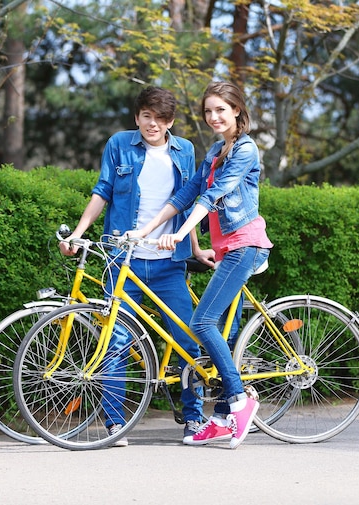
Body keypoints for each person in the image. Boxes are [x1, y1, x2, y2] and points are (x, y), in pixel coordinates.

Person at [59, 86, 214, 446]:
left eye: (160, 119)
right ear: (138, 117)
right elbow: (103, 191)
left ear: (170, 121)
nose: (153, 125)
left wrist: (195, 248)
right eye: (147, 116)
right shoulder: (119, 144)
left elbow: (188, 203)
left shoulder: (185, 150)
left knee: (186, 341)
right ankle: (116, 424)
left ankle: (194, 418)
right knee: (115, 342)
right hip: (123, 260)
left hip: (169, 263)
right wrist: (78, 234)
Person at [127, 81, 273, 449]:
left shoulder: (245, 150)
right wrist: (143, 230)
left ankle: (240, 401)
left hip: (246, 246)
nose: (213, 117)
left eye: (221, 109)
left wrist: (180, 236)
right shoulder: (214, 151)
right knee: (224, 332)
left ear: (237, 110)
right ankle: (223, 417)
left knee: (202, 322)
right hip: (226, 250)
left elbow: (212, 196)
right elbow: (187, 192)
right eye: (208, 111)